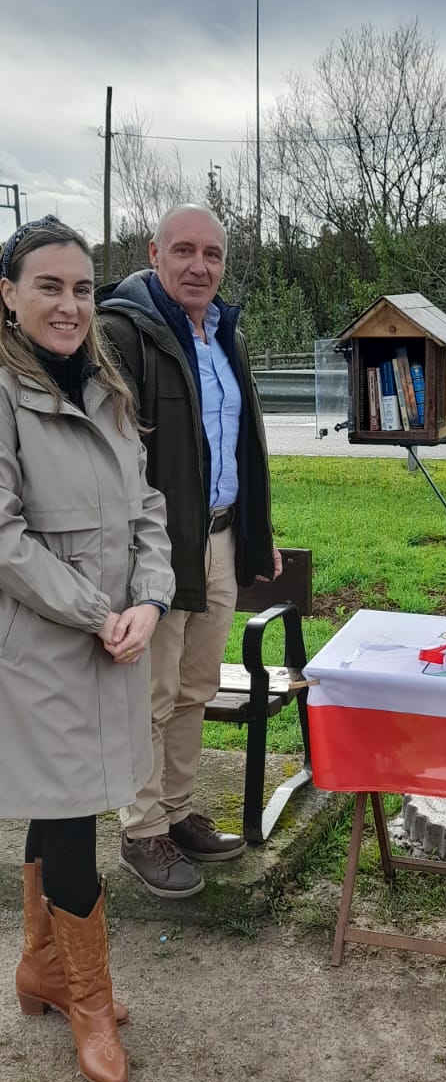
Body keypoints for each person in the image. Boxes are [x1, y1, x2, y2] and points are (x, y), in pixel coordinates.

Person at [0, 216, 175, 1082]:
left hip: (113, 637)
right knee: (71, 814)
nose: (69, 305)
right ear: (9, 294)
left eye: (80, 288)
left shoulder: (106, 385)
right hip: (42, 650)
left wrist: (149, 597)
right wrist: (101, 610)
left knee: (63, 800)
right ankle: (90, 1002)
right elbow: (3, 535)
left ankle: (42, 970)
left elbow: (146, 504)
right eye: (48, 286)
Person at [99, 205, 280, 899]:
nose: (199, 266)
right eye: (183, 251)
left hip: (220, 538)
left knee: (196, 689)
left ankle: (175, 815)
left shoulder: (223, 333)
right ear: (154, 252)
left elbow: (242, 448)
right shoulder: (123, 333)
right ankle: (141, 826)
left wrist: (253, 536)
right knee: (152, 693)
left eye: (211, 254)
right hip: (154, 549)